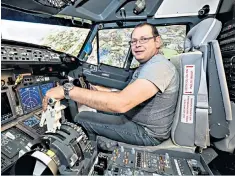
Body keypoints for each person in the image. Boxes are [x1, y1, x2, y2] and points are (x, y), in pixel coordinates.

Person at [43, 23, 179, 146]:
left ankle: (88, 154)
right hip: (134, 118)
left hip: (147, 132)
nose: (137, 44)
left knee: (82, 118)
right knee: (98, 105)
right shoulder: (148, 65)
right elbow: (125, 94)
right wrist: (94, 90)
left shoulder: (159, 67)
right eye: (134, 41)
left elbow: (121, 103)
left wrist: (66, 91)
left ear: (157, 41)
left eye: (144, 39)